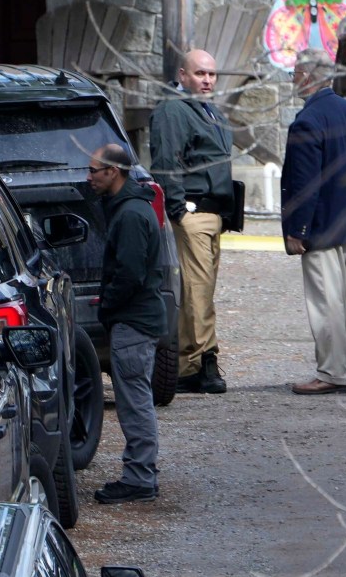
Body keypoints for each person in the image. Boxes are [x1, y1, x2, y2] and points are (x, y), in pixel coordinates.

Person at [149, 48, 235, 395]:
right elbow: (166, 161)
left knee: (200, 290)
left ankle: (191, 362)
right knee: (197, 291)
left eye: (212, 74)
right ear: (182, 75)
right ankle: (203, 363)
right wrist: (178, 211)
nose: (207, 80)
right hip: (193, 213)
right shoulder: (173, 110)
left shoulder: (207, 110)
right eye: (200, 74)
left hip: (211, 213)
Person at [280, 51, 346, 394]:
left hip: (321, 227)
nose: (292, 78)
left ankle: (331, 372)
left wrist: (297, 230)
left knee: (326, 302)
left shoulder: (309, 120)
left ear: (309, 76)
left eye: (296, 72)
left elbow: (304, 183)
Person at [86, 143, 166, 505]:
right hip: (136, 318)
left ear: (113, 172)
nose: (88, 177)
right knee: (135, 398)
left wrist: (108, 306)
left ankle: (139, 477)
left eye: (94, 171)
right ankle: (142, 472)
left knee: (134, 401)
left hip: (133, 321)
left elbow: (130, 273)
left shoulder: (131, 215)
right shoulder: (131, 207)